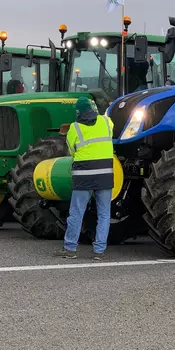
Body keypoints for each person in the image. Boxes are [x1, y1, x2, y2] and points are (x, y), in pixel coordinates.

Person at [54, 97, 114, 261]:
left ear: (78, 112)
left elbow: (72, 150)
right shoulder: (106, 122)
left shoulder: (74, 128)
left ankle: (70, 248)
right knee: (104, 214)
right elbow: (111, 133)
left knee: (76, 212)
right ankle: (99, 252)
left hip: (83, 175)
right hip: (105, 174)